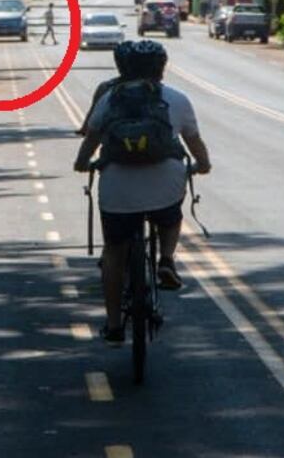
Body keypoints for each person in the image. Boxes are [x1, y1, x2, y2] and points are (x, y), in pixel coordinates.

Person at [73, 40, 212, 346]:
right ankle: (165, 258)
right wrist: (203, 165)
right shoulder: (176, 98)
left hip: (118, 190)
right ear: (161, 69)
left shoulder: (109, 98)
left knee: (114, 251)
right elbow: (194, 141)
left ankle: (113, 324)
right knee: (171, 215)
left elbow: (91, 140)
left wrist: (81, 163)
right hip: (165, 186)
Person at [77, 41, 136, 136]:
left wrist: (85, 129)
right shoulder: (159, 90)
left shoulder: (107, 88)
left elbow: (94, 119)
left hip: (115, 143)